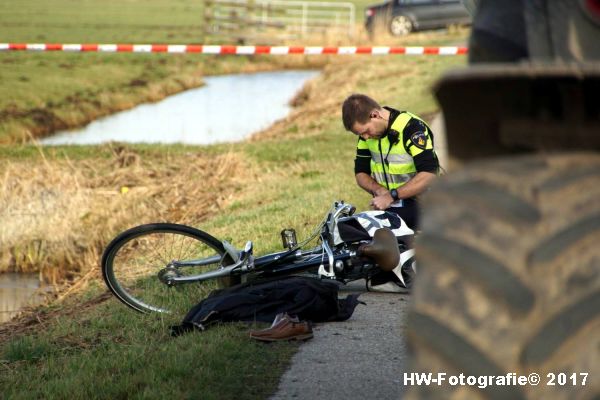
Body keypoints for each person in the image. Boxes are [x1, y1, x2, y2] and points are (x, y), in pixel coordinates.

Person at [342, 94, 439, 231]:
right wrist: (378, 190)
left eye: (366, 131)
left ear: (375, 115)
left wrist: (391, 195)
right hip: (394, 206)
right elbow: (360, 173)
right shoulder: (366, 136)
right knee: (350, 228)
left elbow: (429, 174)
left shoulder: (412, 128)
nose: (365, 137)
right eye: (360, 135)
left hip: (425, 206)